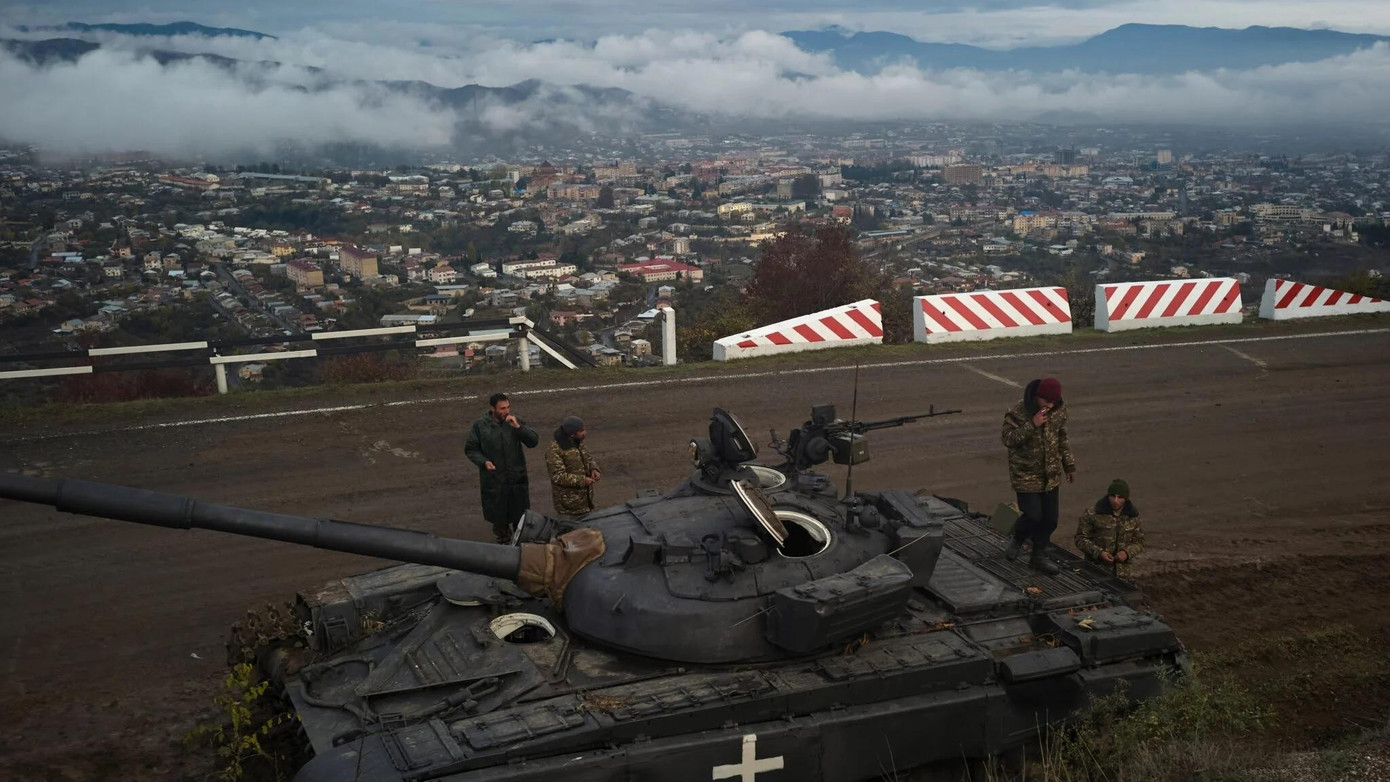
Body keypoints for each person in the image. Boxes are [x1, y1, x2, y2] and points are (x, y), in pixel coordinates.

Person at [1001, 376, 1076, 574]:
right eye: (1046, 402)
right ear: (1037, 397)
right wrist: (1031, 424)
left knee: (1050, 519)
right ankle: (1018, 537)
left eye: (1053, 402)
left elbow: (1062, 436)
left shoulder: (1058, 410)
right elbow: (1008, 439)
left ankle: (1038, 556)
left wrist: (1068, 465)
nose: (1050, 406)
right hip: (1026, 474)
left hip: (1050, 474)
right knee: (1033, 515)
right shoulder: (1018, 412)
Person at [465, 393, 539, 543]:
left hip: (516, 479)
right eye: (502, 408)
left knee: (521, 520)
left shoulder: (514, 422)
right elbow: (471, 449)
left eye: (508, 407)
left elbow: (533, 441)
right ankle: (504, 543)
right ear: (492, 408)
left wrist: (518, 428)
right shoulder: (480, 425)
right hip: (494, 481)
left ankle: (520, 549)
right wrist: (484, 462)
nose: (506, 411)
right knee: (500, 520)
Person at [1074, 479, 1145, 579]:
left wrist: (1127, 552)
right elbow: (1080, 539)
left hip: (1123, 576)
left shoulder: (1132, 517)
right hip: (1096, 572)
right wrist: (1099, 553)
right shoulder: (1093, 514)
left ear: (1126, 499)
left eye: (1120, 497)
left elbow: (1139, 541)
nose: (1115, 500)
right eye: (1113, 496)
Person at [546, 416, 601, 519]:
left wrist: (594, 468)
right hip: (569, 508)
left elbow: (587, 457)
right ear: (572, 434)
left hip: (585, 502)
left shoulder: (578, 442)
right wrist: (582, 480)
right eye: (581, 431)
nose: (585, 433)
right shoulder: (554, 450)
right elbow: (558, 476)